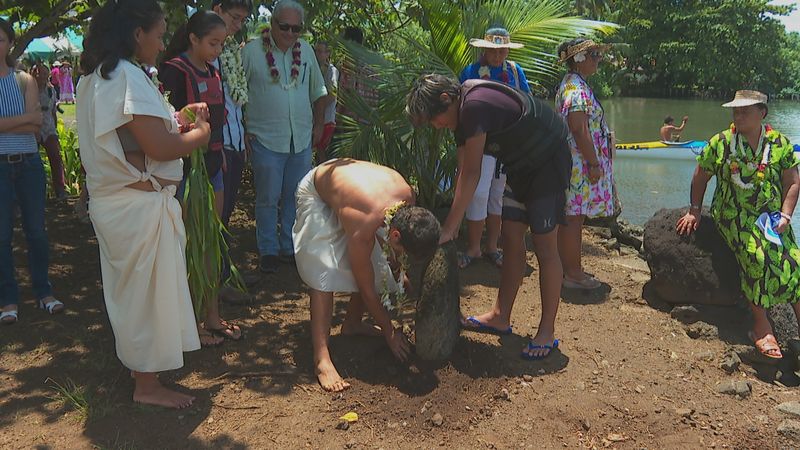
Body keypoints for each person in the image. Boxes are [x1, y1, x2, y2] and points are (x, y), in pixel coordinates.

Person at [77, 0, 210, 407]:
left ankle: (144, 373)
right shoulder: (125, 76)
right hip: (134, 208)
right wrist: (199, 134)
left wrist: (177, 119)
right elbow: (160, 146)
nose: (161, 40)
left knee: (136, 294)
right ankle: (147, 387)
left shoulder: (95, 78)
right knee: (144, 296)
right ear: (137, 34)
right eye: (158, 31)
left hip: (120, 205)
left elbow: (133, 139)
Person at [406, 74, 571, 360]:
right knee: (510, 238)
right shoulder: (460, 116)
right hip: (520, 166)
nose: (436, 126)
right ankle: (500, 316)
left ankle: (546, 331)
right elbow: (463, 172)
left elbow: (473, 173)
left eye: (435, 119)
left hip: (547, 159)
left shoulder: (474, 106)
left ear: (447, 99)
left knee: (545, 248)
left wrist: (450, 227)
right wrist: (452, 225)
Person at [293, 158, 441, 391]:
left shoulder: (408, 199)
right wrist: (390, 333)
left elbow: (389, 244)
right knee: (324, 271)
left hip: (356, 194)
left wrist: (398, 269)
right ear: (395, 236)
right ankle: (321, 358)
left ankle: (352, 324)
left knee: (380, 262)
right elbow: (367, 288)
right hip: (318, 191)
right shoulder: (363, 225)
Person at [677, 90, 800, 360]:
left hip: (772, 218)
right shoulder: (721, 143)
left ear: (762, 113)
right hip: (734, 215)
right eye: (736, 110)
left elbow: (792, 182)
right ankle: (760, 326)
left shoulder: (779, 143)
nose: (739, 115)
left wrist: (786, 215)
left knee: (794, 261)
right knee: (756, 256)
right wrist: (694, 211)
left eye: (745, 110)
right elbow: (700, 176)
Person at [160, 10, 243, 345]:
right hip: (184, 172)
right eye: (213, 43)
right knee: (185, 247)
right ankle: (188, 324)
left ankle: (211, 315)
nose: (218, 51)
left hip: (212, 169)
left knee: (211, 244)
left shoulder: (213, 71)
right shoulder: (173, 72)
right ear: (193, 39)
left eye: (222, 44)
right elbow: (166, 124)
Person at [242, 0, 326, 274]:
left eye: (296, 29)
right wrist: (242, 131)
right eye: (285, 27)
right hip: (265, 137)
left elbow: (319, 91)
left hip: (300, 137)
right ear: (272, 24)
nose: (290, 34)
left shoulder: (306, 51)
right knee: (267, 196)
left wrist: (318, 125)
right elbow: (236, 96)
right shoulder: (253, 52)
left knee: (296, 196)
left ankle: (289, 247)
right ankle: (267, 249)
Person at [0, 18, 64, 325]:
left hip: (28, 163)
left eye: (0, 39)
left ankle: (43, 292)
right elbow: (28, 120)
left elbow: (37, 122)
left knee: (37, 233)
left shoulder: (23, 79)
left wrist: (9, 123)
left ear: (10, 43)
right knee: (2, 236)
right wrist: (22, 119)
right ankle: (8, 299)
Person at [457, 27, 530, 270]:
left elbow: (526, 101)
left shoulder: (515, 71)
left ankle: (492, 247)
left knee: (497, 195)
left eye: (502, 51)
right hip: (480, 141)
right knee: (477, 192)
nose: (498, 56)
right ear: (484, 50)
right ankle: (473, 247)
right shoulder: (471, 71)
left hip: (507, 142)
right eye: (493, 51)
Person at [554, 38, 614, 290]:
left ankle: (570, 269)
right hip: (578, 163)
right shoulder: (576, 90)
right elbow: (579, 129)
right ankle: (572, 273)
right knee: (573, 218)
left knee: (573, 217)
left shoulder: (575, 85)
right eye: (593, 55)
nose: (597, 59)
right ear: (579, 59)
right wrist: (593, 163)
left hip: (576, 162)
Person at [210, 0, 254, 303]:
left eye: (241, 21)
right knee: (216, 216)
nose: (238, 26)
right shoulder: (207, 50)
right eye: (234, 18)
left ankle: (226, 271)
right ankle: (215, 281)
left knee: (227, 216)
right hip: (217, 146)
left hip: (235, 141)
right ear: (218, 10)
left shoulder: (229, 50)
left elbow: (235, 102)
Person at [32, 62, 68, 199]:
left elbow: (53, 110)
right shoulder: (29, 90)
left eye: (45, 73)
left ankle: (60, 189)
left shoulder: (50, 90)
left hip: (48, 128)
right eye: (39, 73)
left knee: (56, 158)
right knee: (32, 161)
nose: (42, 76)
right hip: (34, 129)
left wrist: (54, 128)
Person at [313, 40, 338, 163]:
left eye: (320, 51)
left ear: (328, 53)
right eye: (316, 51)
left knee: (324, 158)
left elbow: (333, 94)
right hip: (317, 120)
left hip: (327, 119)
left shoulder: (331, 71)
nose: (317, 54)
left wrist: (318, 107)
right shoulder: (315, 69)